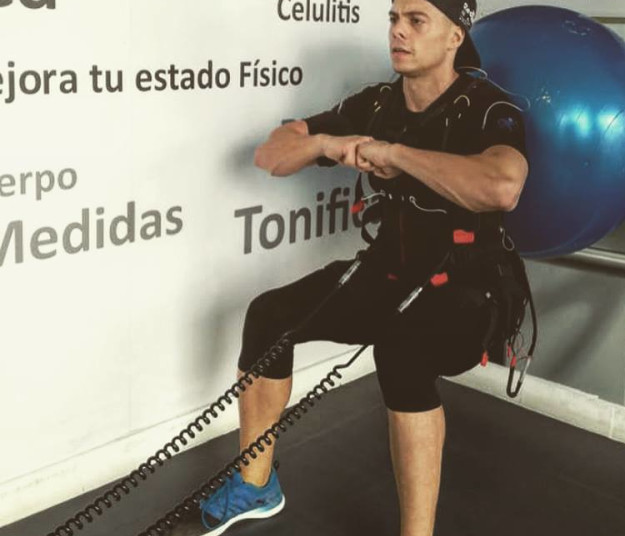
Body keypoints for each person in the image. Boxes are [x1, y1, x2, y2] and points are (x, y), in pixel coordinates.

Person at [174, 0, 530, 535]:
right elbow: (272, 155)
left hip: (471, 289)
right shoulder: (378, 103)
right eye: (394, 19)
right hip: (389, 271)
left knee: (403, 350)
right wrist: (326, 143)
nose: (399, 32)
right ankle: (256, 485)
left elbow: (502, 187)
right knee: (269, 316)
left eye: (416, 21)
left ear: (455, 36)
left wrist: (397, 155)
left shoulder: (490, 108)